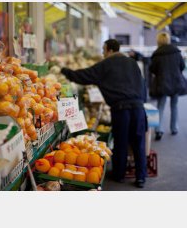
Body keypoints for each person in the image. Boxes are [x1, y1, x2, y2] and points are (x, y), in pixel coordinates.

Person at [61, 39, 147, 188]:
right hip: (138, 107)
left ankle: (119, 175)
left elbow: (84, 76)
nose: (102, 53)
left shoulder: (106, 64)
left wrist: (64, 71)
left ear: (109, 50)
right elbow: (142, 84)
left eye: (103, 50)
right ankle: (141, 177)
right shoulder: (132, 63)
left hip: (121, 109)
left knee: (121, 142)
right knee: (138, 142)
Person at [149, 32, 186, 141]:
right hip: (175, 82)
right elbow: (182, 66)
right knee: (174, 106)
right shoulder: (176, 51)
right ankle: (174, 128)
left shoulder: (157, 54)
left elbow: (152, 69)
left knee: (160, 106)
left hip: (162, 83)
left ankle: (158, 130)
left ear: (158, 41)